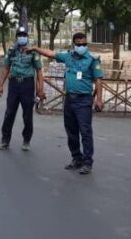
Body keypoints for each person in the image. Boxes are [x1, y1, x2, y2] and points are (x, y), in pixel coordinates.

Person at [26, 33, 103, 175]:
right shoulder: (68, 56)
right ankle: (76, 158)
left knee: (85, 131)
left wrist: (99, 99)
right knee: (71, 131)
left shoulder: (92, 60)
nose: (82, 47)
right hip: (69, 99)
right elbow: (51, 54)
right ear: (74, 45)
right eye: (79, 44)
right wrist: (36, 48)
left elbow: (98, 80)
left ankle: (87, 162)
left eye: (84, 44)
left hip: (84, 100)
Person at [0, 26, 45, 151]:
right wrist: (0, 84)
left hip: (27, 85)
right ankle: (5, 140)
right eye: (20, 35)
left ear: (27, 37)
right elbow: (6, 68)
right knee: (9, 113)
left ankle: (26, 140)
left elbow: (39, 71)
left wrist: (40, 89)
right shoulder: (11, 50)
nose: (22, 37)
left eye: (24, 35)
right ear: (16, 37)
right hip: (13, 85)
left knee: (27, 114)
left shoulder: (33, 51)